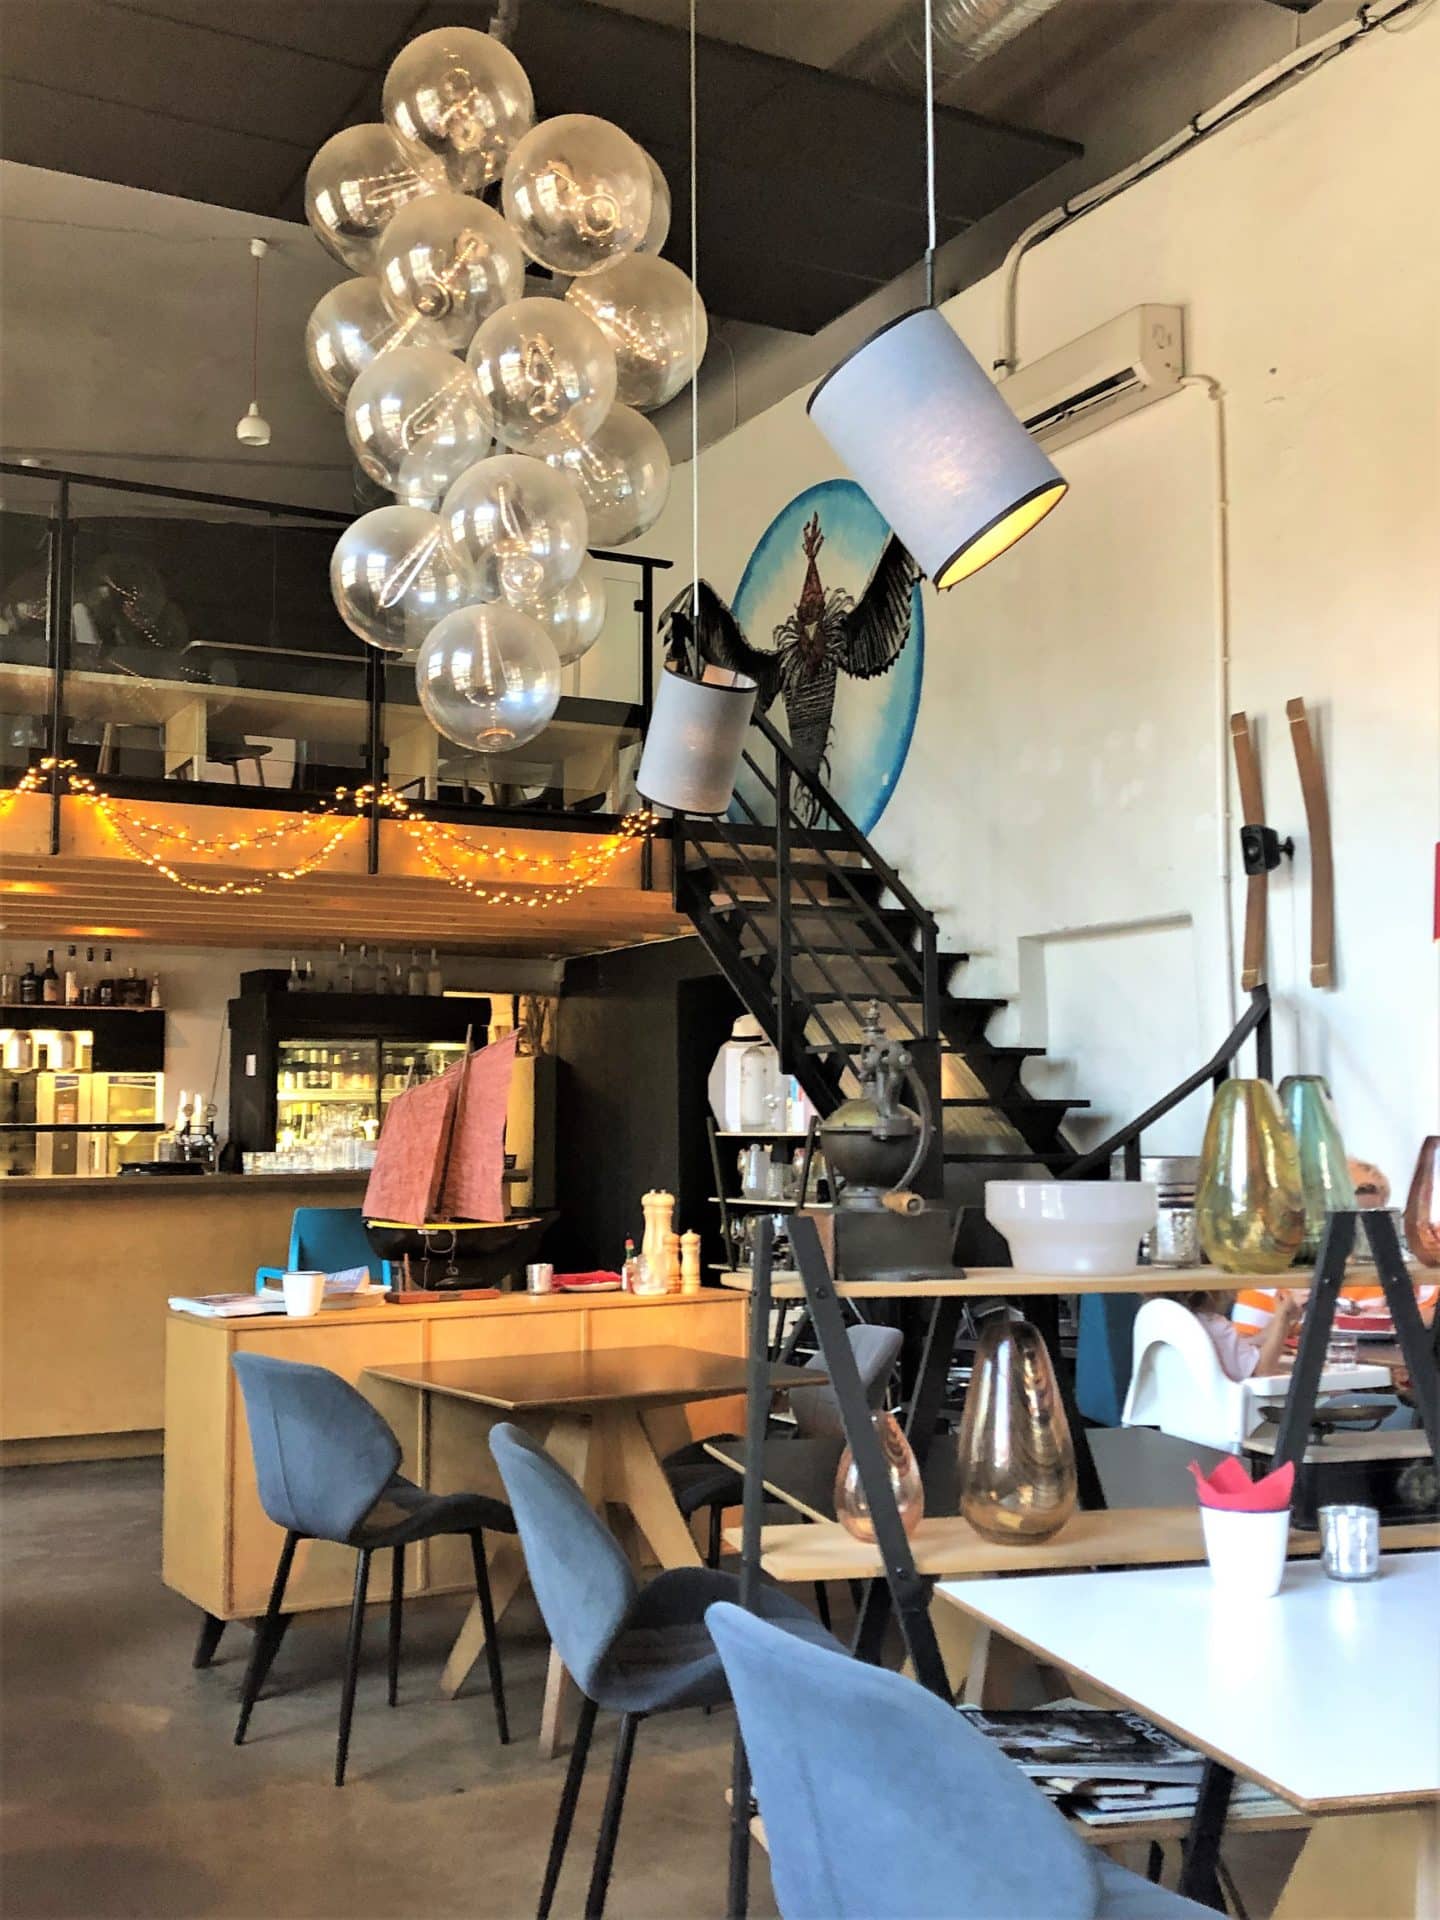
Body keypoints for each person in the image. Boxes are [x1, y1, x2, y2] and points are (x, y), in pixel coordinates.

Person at [1169, 1287, 1303, 1382]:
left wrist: (1284, 1318)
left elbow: (1243, 1346)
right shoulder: (1213, 1324)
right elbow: (1262, 1371)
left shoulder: (1178, 1318)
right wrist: (1283, 1315)